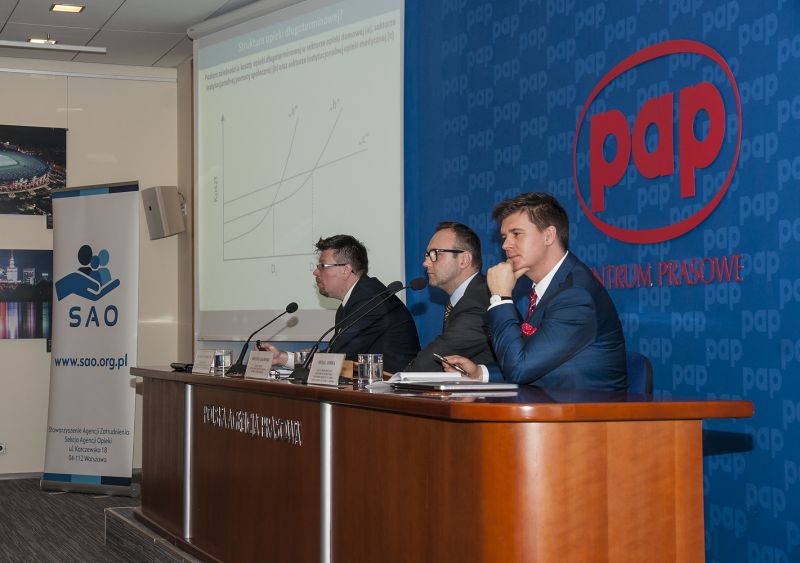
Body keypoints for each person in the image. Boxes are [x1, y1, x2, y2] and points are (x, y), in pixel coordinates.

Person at [444, 192, 627, 390]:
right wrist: (480, 373)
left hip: (588, 408)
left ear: (548, 236)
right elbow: (530, 360)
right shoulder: (550, 287)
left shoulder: (575, 295)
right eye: (504, 237)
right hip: (552, 404)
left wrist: (501, 297)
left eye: (516, 234)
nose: (505, 245)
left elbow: (519, 369)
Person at [260, 234, 420, 373]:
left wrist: (286, 358)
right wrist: (282, 357)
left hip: (396, 393)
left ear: (345, 270)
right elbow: (335, 354)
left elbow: (336, 359)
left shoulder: (370, 301)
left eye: (322, 266)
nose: (315, 272)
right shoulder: (354, 301)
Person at [404, 222, 495, 371]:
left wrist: (398, 377)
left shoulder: (479, 302)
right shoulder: (465, 298)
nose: (425, 263)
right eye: (427, 255)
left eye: (435, 254)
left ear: (464, 260)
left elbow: (431, 362)